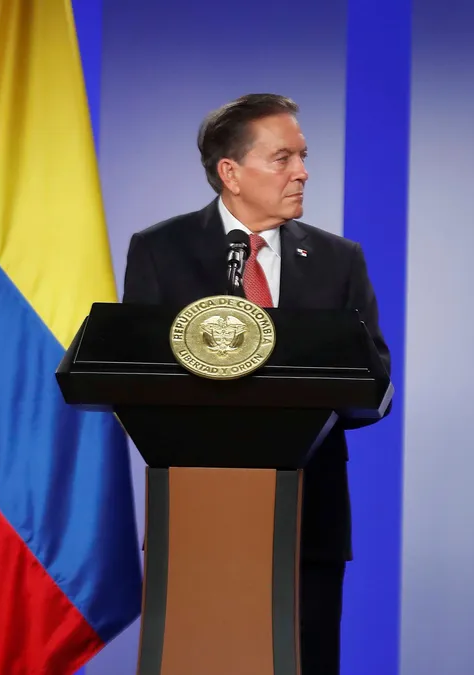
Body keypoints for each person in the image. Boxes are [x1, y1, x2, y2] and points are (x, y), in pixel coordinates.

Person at [121, 93, 390, 673]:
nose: (302, 172)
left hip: (308, 516)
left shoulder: (337, 259)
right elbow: (139, 376)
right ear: (231, 172)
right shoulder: (161, 251)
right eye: (282, 158)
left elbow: (376, 381)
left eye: (303, 156)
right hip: (196, 516)